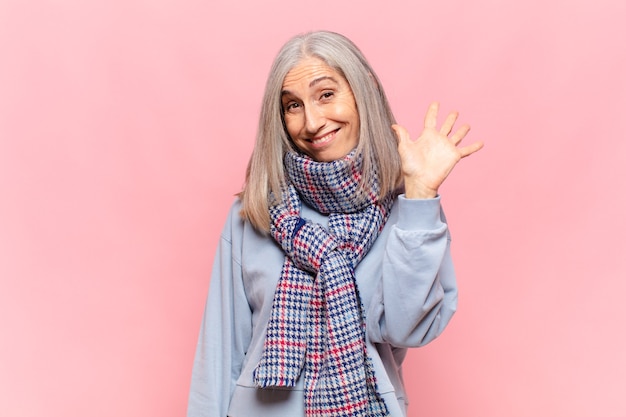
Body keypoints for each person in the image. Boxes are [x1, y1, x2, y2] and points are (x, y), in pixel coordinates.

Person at [187, 30, 483, 417]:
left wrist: (421, 194)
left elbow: (406, 329)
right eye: (292, 106)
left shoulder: (408, 208)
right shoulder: (255, 212)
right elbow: (219, 355)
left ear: (363, 94)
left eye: (326, 94)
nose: (311, 121)